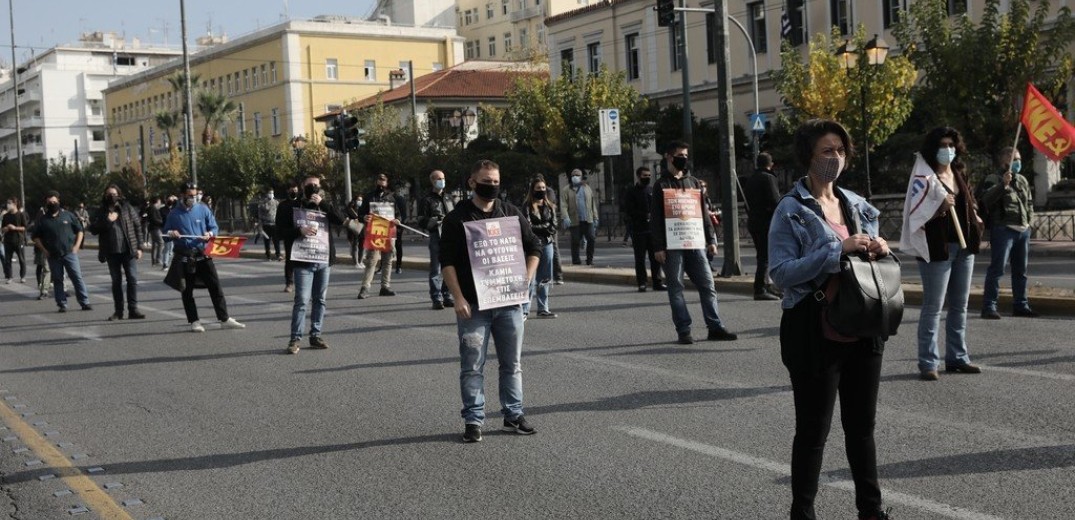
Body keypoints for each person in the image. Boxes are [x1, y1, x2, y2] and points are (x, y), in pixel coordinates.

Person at [768, 119, 891, 520]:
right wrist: (838, 250)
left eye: (840, 150)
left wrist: (880, 247)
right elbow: (781, 272)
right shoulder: (791, 210)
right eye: (826, 150)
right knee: (813, 432)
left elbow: (874, 263)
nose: (834, 157)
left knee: (862, 429)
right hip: (813, 329)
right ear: (808, 155)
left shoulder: (856, 204)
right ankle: (802, 513)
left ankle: (870, 511)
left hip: (863, 322)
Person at [440, 159, 542, 443]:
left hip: (509, 303)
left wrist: (527, 278)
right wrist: (457, 298)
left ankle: (513, 415)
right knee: (472, 366)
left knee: (512, 364)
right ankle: (473, 420)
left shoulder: (511, 213)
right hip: (473, 307)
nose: (492, 185)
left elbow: (534, 247)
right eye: (486, 180)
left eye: (496, 181)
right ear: (472, 182)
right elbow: (446, 263)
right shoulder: (457, 218)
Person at [901, 127, 983, 381]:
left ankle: (957, 357)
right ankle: (928, 362)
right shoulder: (924, 178)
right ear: (932, 148)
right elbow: (916, 215)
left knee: (960, 305)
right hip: (937, 249)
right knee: (933, 306)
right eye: (942, 145)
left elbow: (969, 201)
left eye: (951, 144)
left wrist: (976, 216)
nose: (947, 149)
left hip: (964, 246)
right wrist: (938, 208)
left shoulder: (958, 173)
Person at [650, 140, 737, 345]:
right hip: (672, 247)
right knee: (676, 288)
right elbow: (655, 219)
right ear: (669, 157)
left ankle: (715, 327)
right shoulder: (660, 185)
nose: (684, 159)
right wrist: (658, 247)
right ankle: (684, 330)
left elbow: (703, 214)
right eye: (680, 155)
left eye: (686, 155)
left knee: (708, 285)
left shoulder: (694, 183)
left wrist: (711, 239)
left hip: (695, 243)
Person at [277, 175, 352, 354]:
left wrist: (323, 204)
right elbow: (279, 232)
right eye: (309, 185)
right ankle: (295, 339)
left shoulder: (325, 205)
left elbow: (341, 220)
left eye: (316, 185)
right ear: (303, 186)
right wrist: (299, 230)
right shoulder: (289, 206)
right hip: (302, 260)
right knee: (302, 300)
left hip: (323, 260)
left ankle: (315, 335)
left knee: (320, 300)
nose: (313, 188)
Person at [162, 183, 245, 333]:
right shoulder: (174, 214)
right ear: (182, 195)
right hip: (185, 256)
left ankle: (224, 318)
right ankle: (194, 321)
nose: (193, 198)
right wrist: (171, 233)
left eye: (195, 195)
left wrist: (210, 234)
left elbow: (214, 227)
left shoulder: (203, 209)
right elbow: (166, 234)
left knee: (215, 286)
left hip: (203, 254)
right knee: (187, 291)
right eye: (189, 195)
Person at [979, 146, 1038, 319]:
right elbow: (985, 200)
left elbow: (1029, 203)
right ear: (1005, 161)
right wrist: (1002, 185)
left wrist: (1029, 223)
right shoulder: (993, 178)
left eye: (1019, 159)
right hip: (1003, 229)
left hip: (1022, 230)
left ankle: (1021, 305)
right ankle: (989, 306)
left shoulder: (1022, 180)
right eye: (1015, 159)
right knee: (997, 269)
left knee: (1021, 270)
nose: (1019, 162)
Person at [89, 185, 146, 321]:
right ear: (105, 196)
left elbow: (137, 226)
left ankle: (133, 309)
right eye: (109, 194)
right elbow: (93, 229)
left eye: (114, 194)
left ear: (119, 195)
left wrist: (140, 247)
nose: (112, 196)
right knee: (116, 281)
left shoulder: (126, 208)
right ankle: (118, 311)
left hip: (128, 250)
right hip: (111, 251)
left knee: (132, 279)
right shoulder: (101, 210)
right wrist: (109, 220)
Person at [31, 191, 92, 312]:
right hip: (53, 255)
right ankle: (62, 303)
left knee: (77, 278)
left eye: (54, 201)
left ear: (58, 201)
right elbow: (35, 237)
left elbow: (79, 230)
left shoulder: (68, 215)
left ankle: (84, 302)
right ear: (46, 203)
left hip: (69, 253)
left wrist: (76, 247)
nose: (52, 204)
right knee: (58, 280)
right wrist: (44, 250)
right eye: (49, 202)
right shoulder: (43, 220)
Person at [356, 173, 402, 299]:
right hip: (374, 233)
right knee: (371, 261)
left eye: (384, 180)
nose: (381, 182)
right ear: (376, 181)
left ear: (387, 183)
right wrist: (364, 217)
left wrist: (397, 220)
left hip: (388, 233)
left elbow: (398, 215)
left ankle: (385, 287)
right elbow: (360, 215)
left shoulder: (391, 198)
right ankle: (365, 288)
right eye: (379, 179)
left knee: (388, 260)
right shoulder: (369, 196)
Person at [744, 152, 782, 300]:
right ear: (770, 164)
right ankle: (760, 289)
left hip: (753, 221)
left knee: (763, 256)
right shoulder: (768, 178)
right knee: (765, 257)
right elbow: (775, 201)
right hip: (766, 222)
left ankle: (766, 286)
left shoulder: (751, 179)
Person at [521, 175, 558, 319]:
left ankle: (543, 308)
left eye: (543, 188)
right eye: (538, 188)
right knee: (529, 278)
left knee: (545, 278)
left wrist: (542, 228)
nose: (541, 190)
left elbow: (553, 227)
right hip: (532, 246)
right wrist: (544, 227)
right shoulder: (527, 207)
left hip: (547, 244)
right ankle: (524, 310)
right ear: (532, 190)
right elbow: (528, 227)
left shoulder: (550, 206)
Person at [417, 169, 455, 309]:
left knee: (450, 266)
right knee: (436, 268)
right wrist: (435, 220)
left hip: (450, 236)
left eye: (443, 178)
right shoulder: (426, 200)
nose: (442, 181)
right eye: (439, 178)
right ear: (433, 181)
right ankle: (436, 298)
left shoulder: (449, 198)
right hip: (436, 235)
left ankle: (447, 295)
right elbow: (420, 220)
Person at [622, 167, 665, 292]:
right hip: (638, 230)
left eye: (649, 175)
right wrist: (644, 215)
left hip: (652, 231)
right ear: (638, 176)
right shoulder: (631, 192)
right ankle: (642, 282)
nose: (647, 177)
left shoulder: (651, 190)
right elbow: (629, 210)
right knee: (640, 259)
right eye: (644, 175)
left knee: (655, 258)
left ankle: (657, 282)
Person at [559, 169, 598, 266]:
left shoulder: (587, 188)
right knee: (575, 241)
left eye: (577, 175)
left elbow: (592, 203)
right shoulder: (566, 189)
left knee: (591, 238)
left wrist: (595, 217)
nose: (575, 176)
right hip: (574, 220)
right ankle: (576, 261)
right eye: (573, 175)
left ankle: (590, 260)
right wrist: (565, 217)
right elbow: (563, 205)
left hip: (588, 219)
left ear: (581, 177)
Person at [280, 185, 301, 292]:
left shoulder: (301, 203)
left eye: (296, 190)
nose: (294, 192)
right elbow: (278, 222)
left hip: (302, 235)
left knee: (302, 259)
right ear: (288, 190)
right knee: (289, 259)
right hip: (289, 235)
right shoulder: (283, 205)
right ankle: (289, 282)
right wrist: (279, 236)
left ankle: (302, 283)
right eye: (292, 190)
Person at [2, 198, 28, 283]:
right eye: (7, 203)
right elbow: (2, 229)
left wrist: (15, 228)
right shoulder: (5, 216)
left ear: (15, 204)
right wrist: (6, 228)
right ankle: (9, 277)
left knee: (21, 259)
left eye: (9, 203)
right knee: (7, 260)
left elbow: (24, 227)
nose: (8, 205)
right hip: (7, 241)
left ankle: (22, 276)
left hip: (18, 240)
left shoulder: (20, 215)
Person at [256, 188, 282, 261]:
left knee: (276, 240)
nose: (271, 194)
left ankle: (278, 255)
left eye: (272, 193)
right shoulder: (262, 203)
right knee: (267, 241)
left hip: (275, 224)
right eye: (270, 193)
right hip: (266, 225)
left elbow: (279, 213)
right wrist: (260, 226)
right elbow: (260, 215)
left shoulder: (276, 202)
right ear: (267, 194)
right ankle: (268, 255)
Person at [393, 183, 408, 274]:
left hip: (397, 225)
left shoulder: (399, 199)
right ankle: (397, 266)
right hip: (389, 225)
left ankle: (398, 266)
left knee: (398, 245)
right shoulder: (387, 199)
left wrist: (400, 223)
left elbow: (403, 213)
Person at [345, 193, 364, 265]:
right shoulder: (350, 208)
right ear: (355, 200)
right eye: (358, 200)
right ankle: (356, 262)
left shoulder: (363, 208)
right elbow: (348, 215)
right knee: (355, 245)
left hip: (362, 229)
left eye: (361, 200)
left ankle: (360, 261)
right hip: (354, 229)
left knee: (362, 246)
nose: (360, 201)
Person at [146, 196, 165, 266]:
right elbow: (154, 219)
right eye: (159, 201)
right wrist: (162, 222)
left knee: (155, 244)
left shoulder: (151, 208)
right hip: (155, 228)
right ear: (157, 201)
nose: (160, 203)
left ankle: (154, 260)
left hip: (153, 227)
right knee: (161, 243)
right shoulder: (153, 209)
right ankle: (158, 259)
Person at [160, 195, 177, 270]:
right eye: (169, 200)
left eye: (172, 200)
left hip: (176, 231)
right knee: (166, 248)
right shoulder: (162, 210)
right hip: (166, 231)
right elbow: (160, 220)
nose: (171, 202)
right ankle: (165, 264)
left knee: (174, 248)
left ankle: (175, 265)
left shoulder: (176, 210)